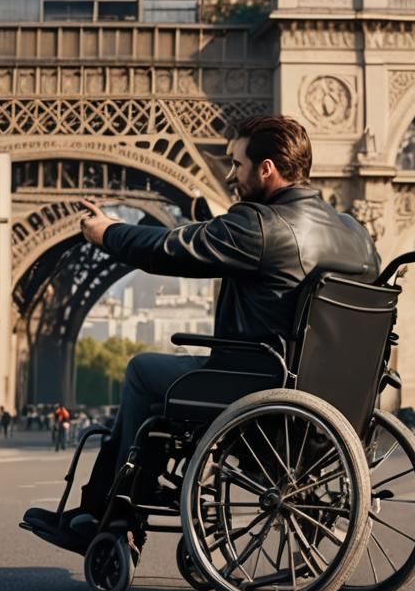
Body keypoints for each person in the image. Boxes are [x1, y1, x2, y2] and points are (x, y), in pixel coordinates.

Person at [22, 115, 381, 555]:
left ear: (266, 169)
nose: (229, 174)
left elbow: (172, 249)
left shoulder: (261, 226)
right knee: (163, 383)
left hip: (255, 383)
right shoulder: (355, 233)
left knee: (142, 371)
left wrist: (109, 233)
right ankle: (110, 507)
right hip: (333, 399)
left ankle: (111, 515)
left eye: (236, 164)